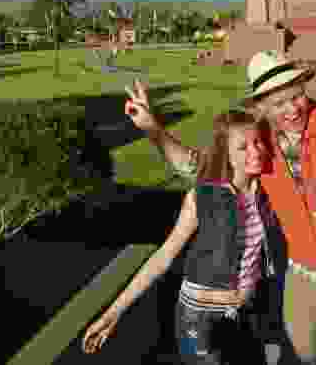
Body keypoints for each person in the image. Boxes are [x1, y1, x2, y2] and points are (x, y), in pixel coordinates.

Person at [81, 109, 275, 364]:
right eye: (243, 147)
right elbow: (164, 256)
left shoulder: (269, 188)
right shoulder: (203, 196)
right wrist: (112, 313)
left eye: (258, 142)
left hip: (246, 312)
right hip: (200, 318)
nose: (256, 151)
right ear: (226, 154)